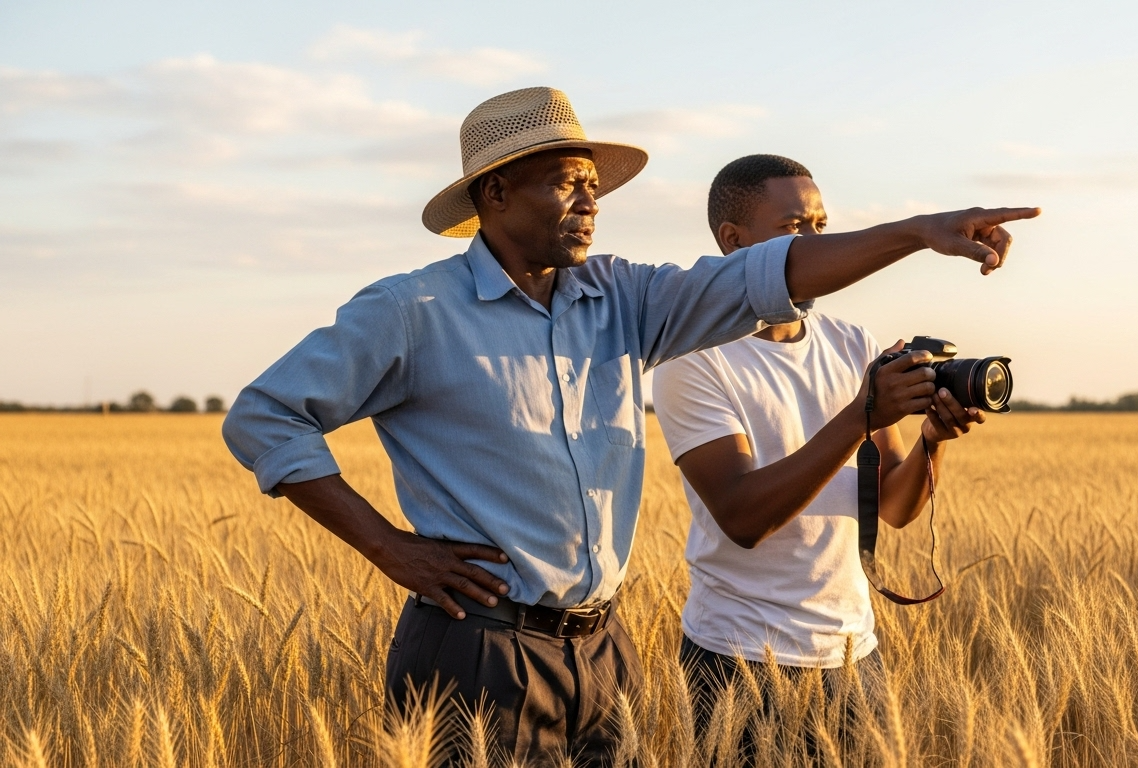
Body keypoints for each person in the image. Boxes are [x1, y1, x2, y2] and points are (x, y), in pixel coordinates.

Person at [221, 87, 1038, 766]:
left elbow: (765, 273)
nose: (589, 203)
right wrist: (387, 547)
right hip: (478, 652)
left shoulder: (622, 300)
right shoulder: (413, 312)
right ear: (495, 194)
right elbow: (265, 416)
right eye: (563, 183)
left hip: (603, 654)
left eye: (593, 185)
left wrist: (916, 235)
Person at [652, 155, 987, 748]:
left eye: (821, 227)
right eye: (793, 228)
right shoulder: (693, 359)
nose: (815, 243)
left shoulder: (851, 342)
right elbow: (744, 517)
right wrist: (862, 416)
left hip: (854, 655)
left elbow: (894, 506)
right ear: (734, 242)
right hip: (738, 662)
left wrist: (933, 443)